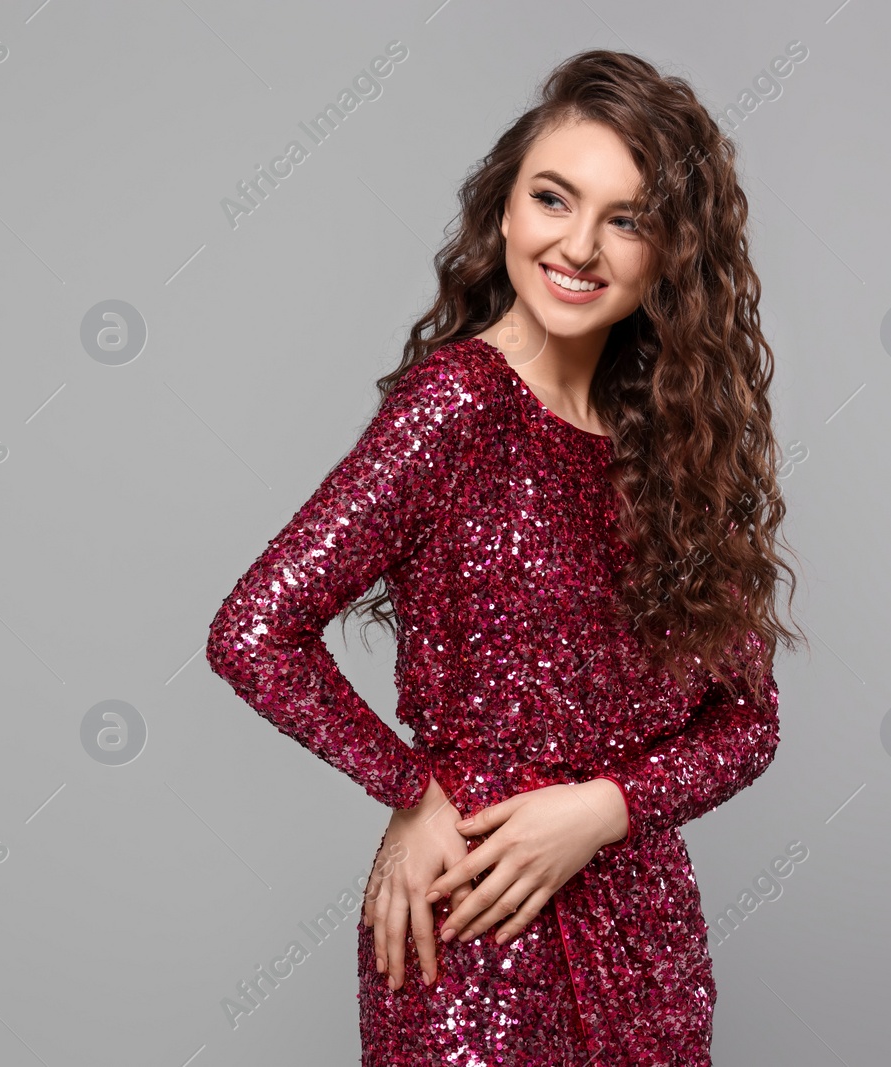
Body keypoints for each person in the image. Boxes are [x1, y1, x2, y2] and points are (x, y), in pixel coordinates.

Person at [205, 48, 803, 1066]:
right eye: (553, 198)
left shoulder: (670, 443)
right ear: (503, 211)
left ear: (672, 254)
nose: (578, 244)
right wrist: (408, 785)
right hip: (476, 914)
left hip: (641, 923)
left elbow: (746, 722)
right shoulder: (456, 406)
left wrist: (604, 807)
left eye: (627, 217)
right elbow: (253, 630)